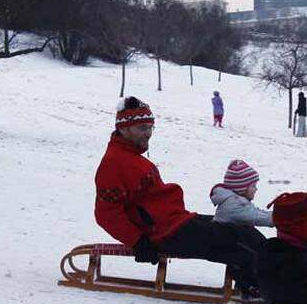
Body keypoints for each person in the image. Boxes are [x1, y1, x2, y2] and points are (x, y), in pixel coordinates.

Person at [94, 97, 264, 292]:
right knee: (237, 240)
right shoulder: (114, 163)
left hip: (176, 222)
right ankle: (260, 287)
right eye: (142, 128)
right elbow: (106, 214)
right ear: (124, 129)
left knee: (241, 230)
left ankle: (265, 281)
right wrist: (138, 241)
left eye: (150, 127)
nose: (148, 133)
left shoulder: (132, 158)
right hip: (164, 234)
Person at [210, 160, 273, 227]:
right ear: (241, 188)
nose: (256, 189)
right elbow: (258, 217)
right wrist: (279, 218)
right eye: (253, 186)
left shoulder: (234, 201)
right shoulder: (235, 206)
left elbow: (257, 213)